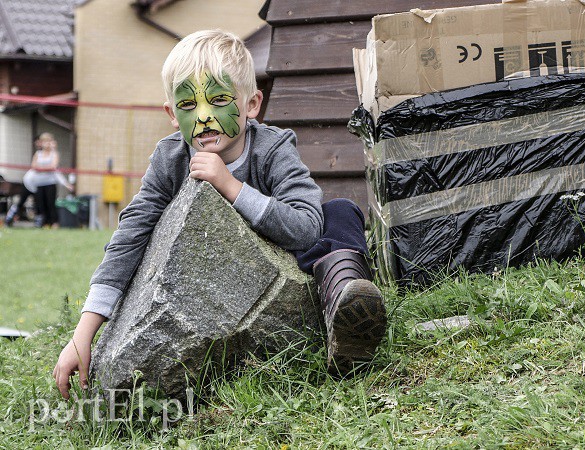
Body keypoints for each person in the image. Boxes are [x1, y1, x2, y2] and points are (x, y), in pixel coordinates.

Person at [52, 30, 387, 399]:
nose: (205, 117)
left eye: (220, 99)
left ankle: (346, 310)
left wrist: (231, 186)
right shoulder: (169, 160)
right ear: (170, 113)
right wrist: (83, 334)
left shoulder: (273, 148)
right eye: (188, 105)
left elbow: (307, 229)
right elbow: (130, 235)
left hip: (287, 261)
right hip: (212, 284)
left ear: (252, 103)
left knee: (339, 212)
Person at [29, 133, 63, 228]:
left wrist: (41, 168)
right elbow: (33, 166)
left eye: (48, 141)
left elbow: (54, 166)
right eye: (44, 141)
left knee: (50, 203)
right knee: (41, 204)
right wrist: (46, 168)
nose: (47, 143)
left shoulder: (54, 154)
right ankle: (44, 223)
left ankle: (54, 223)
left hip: (50, 182)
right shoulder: (38, 154)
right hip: (39, 182)